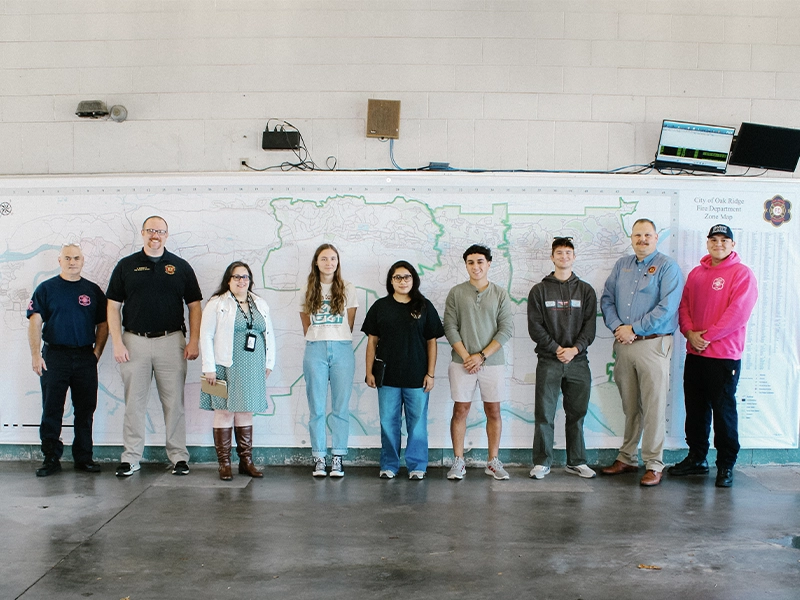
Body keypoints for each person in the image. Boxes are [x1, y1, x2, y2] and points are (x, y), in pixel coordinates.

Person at [106, 216, 203, 477]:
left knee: (174, 403)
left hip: (171, 342)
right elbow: (113, 306)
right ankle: (131, 458)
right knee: (133, 404)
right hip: (133, 342)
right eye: (151, 231)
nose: (155, 235)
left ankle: (179, 457)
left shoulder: (180, 266)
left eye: (160, 231)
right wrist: (117, 342)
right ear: (142, 233)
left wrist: (194, 340)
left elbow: (194, 305)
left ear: (167, 235)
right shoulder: (126, 266)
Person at [668, 224, 758, 488]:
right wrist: (689, 332)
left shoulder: (742, 274)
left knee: (723, 412)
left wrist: (706, 336)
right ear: (707, 243)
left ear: (732, 245)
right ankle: (697, 457)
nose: (719, 244)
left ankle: (725, 465)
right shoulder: (697, 274)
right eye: (714, 239)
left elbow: (737, 313)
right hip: (695, 354)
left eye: (724, 240)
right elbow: (684, 306)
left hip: (724, 357)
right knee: (695, 410)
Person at [599, 218, 684, 487]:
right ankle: (627, 457)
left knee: (654, 406)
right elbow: (607, 300)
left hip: (653, 344)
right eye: (637, 235)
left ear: (656, 238)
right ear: (631, 237)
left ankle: (654, 463)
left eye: (647, 235)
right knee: (630, 405)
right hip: (624, 344)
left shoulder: (668, 267)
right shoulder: (622, 265)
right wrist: (618, 327)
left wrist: (633, 328)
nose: (642, 240)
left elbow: (666, 308)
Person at [27, 243, 109, 477]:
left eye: (76, 258)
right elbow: (35, 321)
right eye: (67, 258)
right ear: (59, 261)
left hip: (85, 356)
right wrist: (35, 354)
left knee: (85, 409)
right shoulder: (46, 289)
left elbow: (103, 324)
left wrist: (96, 354)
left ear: (83, 261)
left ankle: (83, 458)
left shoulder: (93, 291)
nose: (72, 262)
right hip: (55, 356)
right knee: (52, 408)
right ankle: (51, 457)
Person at [362, 261, 445, 480]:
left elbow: (432, 342)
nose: (402, 281)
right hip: (387, 377)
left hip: (417, 377)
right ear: (391, 281)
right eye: (397, 277)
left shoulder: (424, 306)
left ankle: (417, 466)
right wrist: (369, 371)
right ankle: (389, 464)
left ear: (413, 280)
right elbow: (372, 342)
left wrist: (431, 373)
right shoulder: (380, 307)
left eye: (406, 277)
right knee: (388, 423)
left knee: (417, 424)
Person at [527, 237, 597, 480]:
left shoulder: (586, 290)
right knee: (544, 414)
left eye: (568, 252)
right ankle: (542, 462)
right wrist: (557, 349)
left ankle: (576, 461)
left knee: (576, 414)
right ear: (552, 257)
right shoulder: (539, 290)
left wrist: (573, 350)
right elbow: (535, 327)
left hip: (578, 362)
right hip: (549, 361)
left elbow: (590, 328)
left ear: (574, 256)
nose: (564, 256)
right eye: (559, 252)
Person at [200, 262, 276, 481]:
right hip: (222, 366)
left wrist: (268, 363)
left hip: (252, 365)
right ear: (228, 280)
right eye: (237, 277)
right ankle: (224, 464)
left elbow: (268, 333)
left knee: (246, 410)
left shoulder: (259, 303)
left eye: (245, 277)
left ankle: (246, 462)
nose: (242, 281)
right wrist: (209, 369)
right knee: (223, 411)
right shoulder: (217, 303)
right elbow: (206, 336)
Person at [444, 244, 514, 481]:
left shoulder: (500, 293)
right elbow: (450, 327)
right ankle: (458, 461)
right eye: (471, 262)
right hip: (461, 362)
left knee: (493, 410)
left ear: (489, 264)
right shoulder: (456, 293)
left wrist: (481, 356)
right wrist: (467, 357)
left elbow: (506, 329)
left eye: (480, 261)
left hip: (492, 363)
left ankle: (493, 461)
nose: (476, 266)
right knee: (460, 409)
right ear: (466, 265)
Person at [300, 243, 358, 478]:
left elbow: (350, 321)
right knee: (316, 407)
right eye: (324, 259)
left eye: (333, 258)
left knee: (340, 407)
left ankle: (338, 458)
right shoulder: (307, 288)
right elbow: (305, 321)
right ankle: (319, 458)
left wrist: (336, 337)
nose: (329, 263)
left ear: (338, 262)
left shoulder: (347, 287)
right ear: (316, 262)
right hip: (315, 348)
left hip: (342, 347)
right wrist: (319, 337)